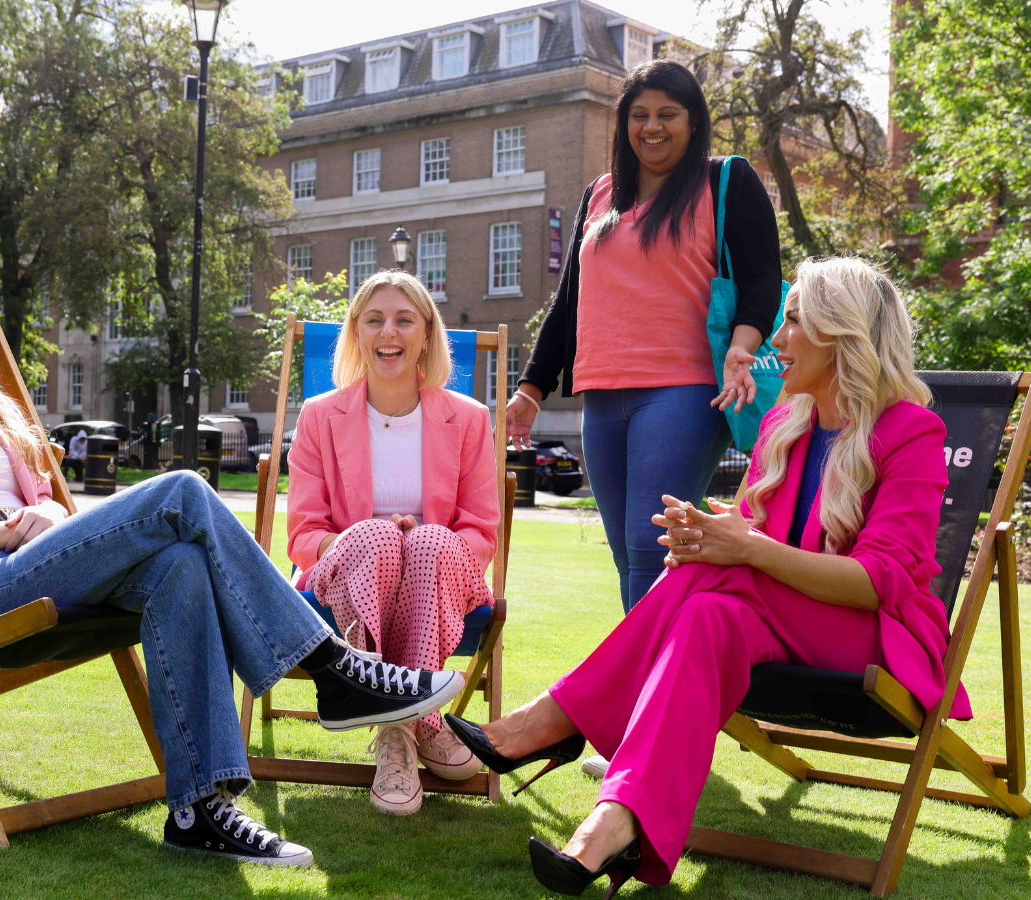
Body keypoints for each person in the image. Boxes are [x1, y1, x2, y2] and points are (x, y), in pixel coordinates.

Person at [0, 245, 466, 867]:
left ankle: (198, 810)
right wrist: (3, 532)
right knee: (183, 491)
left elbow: (46, 510)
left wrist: (44, 516)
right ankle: (333, 669)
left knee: (181, 567)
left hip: (26, 561)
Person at [446, 257, 970, 896]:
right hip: (773, 618)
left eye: (794, 322)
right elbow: (759, 530)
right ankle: (616, 821)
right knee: (707, 611)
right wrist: (712, 532)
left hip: (873, 637)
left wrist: (742, 549)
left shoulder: (911, 430)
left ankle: (552, 721)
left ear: (841, 334)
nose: (776, 339)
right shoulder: (787, 422)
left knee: (725, 583)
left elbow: (879, 580)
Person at [511, 59, 783, 615]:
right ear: (624, 124)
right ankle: (678, 670)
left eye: (667, 114)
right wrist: (530, 390)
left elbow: (762, 278)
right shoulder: (601, 194)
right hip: (602, 393)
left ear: (693, 120)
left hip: (683, 389)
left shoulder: (724, 180)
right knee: (627, 554)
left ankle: (645, 691)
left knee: (649, 544)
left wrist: (742, 346)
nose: (652, 127)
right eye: (639, 115)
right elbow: (570, 301)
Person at [287, 270, 499, 815]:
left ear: (427, 334)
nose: (390, 332)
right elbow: (305, 534)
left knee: (426, 543)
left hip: (438, 568)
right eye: (375, 319)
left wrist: (419, 545)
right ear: (356, 333)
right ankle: (418, 722)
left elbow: (479, 531)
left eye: (405, 319)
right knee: (379, 538)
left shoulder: (469, 419)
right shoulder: (318, 417)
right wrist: (371, 542)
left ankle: (399, 728)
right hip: (345, 576)